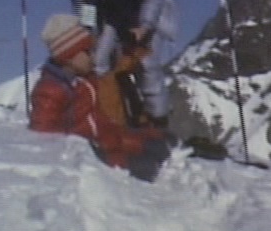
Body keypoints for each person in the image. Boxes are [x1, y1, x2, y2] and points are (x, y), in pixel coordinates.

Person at [50, 0, 178, 130]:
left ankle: (158, 122)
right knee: (98, 63)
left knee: (146, 65)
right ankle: (109, 117)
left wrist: (145, 26)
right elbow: (85, 9)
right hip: (112, 17)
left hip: (147, 11)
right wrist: (88, 40)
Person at [29, 13, 169, 182]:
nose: (94, 57)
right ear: (69, 56)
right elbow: (43, 136)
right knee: (147, 167)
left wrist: (130, 136)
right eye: (88, 52)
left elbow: (97, 120)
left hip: (102, 140)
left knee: (157, 145)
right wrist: (77, 150)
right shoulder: (51, 90)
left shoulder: (85, 81)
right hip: (85, 155)